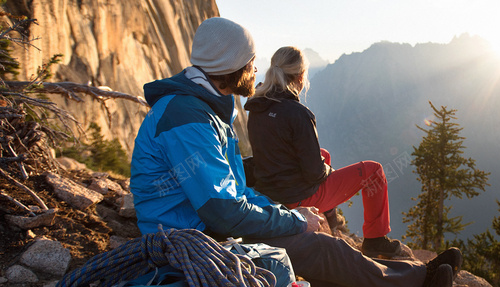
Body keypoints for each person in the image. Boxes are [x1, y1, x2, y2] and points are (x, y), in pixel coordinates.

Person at [130, 17, 461, 287]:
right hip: (194, 236)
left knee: (316, 244)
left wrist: (285, 215)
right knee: (317, 248)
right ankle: (418, 279)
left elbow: (234, 191)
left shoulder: (205, 109)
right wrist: (293, 219)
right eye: (250, 64)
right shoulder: (188, 119)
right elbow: (223, 209)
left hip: (203, 225)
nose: (255, 71)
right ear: (232, 68)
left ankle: (412, 274)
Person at [244, 46, 402, 258]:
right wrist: (329, 170)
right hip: (297, 198)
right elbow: (314, 173)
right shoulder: (298, 113)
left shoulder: (257, 107)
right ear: (301, 76)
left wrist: (322, 163)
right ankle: (375, 239)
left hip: (271, 191)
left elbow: (272, 152)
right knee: (373, 171)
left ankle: (329, 219)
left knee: (323, 153)